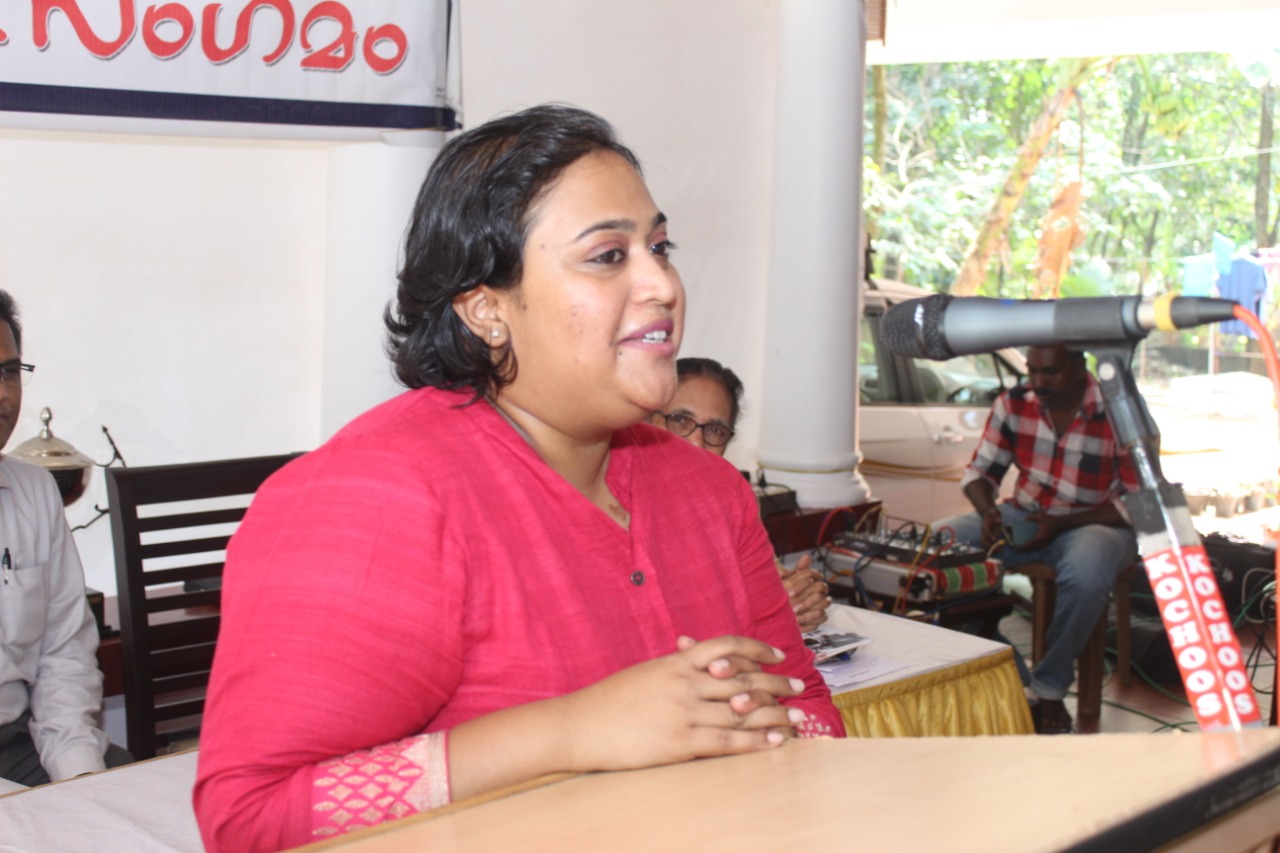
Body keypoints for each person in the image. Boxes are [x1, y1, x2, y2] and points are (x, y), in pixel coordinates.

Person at [193, 105, 844, 852]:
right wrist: (570, 732)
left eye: (660, 247)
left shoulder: (709, 491)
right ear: (486, 309)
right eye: (608, 255)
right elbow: (254, 817)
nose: (662, 283)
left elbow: (811, 717)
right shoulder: (373, 498)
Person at [934, 344, 1137, 735]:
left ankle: (1049, 687)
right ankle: (1012, 674)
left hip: (1097, 521)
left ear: (1079, 365)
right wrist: (987, 511)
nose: (1038, 383)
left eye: (1051, 372)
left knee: (1087, 572)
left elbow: (1141, 502)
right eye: (1033, 371)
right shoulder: (1014, 403)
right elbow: (979, 473)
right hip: (1024, 515)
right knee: (939, 546)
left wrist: (1061, 523)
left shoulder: (1119, 409)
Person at [0, 292, 131, 786]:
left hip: (17, 742)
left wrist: (78, 778)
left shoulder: (35, 492)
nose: (3, 395)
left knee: (130, 799)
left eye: (9, 372)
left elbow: (64, 653)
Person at [652, 357, 831, 631]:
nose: (696, 442)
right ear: (642, 418)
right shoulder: (609, 497)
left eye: (715, 430)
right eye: (680, 420)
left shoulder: (730, 499)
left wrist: (798, 598)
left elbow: (769, 582)